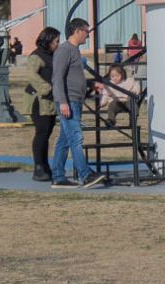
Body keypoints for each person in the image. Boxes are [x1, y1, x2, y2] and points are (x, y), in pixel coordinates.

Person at [51, 18, 108, 189]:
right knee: (76, 138)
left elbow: (72, 78)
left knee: (65, 141)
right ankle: (86, 175)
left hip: (75, 101)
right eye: (86, 31)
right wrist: (63, 102)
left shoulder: (74, 51)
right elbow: (57, 78)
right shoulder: (64, 50)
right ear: (77, 31)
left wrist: (91, 84)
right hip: (68, 102)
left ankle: (58, 176)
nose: (88, 35)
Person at [12, 26, 60, 182]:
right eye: (56, 41)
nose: (58, 44)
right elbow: (31, 75)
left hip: (50, 101)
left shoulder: (53, 56)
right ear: (48, 41)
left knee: (47, 133)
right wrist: (47, 89)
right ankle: (38, 167)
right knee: (42, 133)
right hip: (38, 101)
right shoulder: (36, 56)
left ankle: (45, 166)